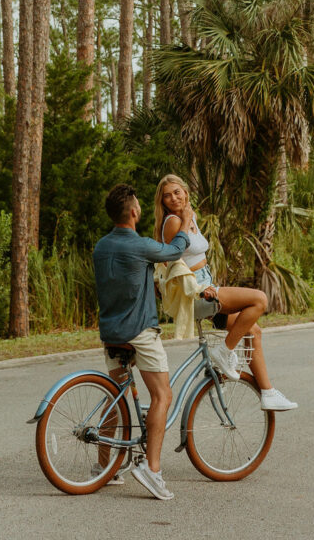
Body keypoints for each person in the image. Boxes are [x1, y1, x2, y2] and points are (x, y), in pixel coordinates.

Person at [154, 173, 298, 412]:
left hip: (204, 288)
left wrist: (189, 216)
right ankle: (225, 351)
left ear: (186, 192)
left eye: (177, 192)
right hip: (198, 292)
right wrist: (200, 289)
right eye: (167, 196)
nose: (173, 198)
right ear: (163, 201)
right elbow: (173, 263)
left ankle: (268, 392)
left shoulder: (189, 217)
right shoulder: (172, 222)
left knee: (253, 331)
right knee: (259, 300)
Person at [93, 182, 193, 501]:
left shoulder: (101, 247)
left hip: (111, 332)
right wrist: (185, 221)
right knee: (163, 395)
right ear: (135, 212)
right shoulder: (139, 245)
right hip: (139, 332)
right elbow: (175, 251)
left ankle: (103, 469)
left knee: (116, 399)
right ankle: (152, 470)